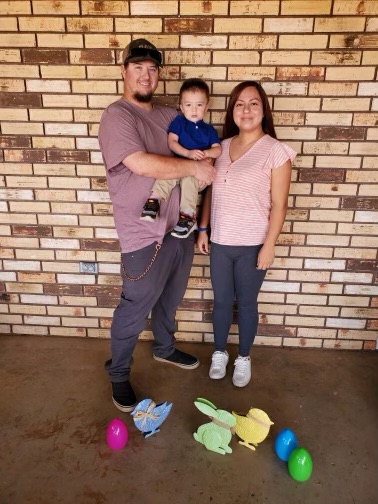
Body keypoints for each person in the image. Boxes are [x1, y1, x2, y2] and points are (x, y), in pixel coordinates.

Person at [98, 38, 215, 413]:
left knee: (170, 300)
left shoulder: (169, 116)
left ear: (159, 74)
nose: (146, 74)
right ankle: (118, 373)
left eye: (152, 68)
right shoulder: (117, 116)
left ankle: (164, 348)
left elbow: (204, 142)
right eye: (138, 67)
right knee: (134, 308)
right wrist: (195, 167)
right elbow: (142, 163)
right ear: (124, 71)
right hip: (142, 234)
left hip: (178, 229)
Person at [197, 81, 296, 388]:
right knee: (222, 302)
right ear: (232, 110)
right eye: (240, 103)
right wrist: (203, 228)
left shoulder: (276, 151)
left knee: (248, 304)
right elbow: (211, 192)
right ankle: (219, 353)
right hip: (221, 242)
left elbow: (280, 205)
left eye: (254, 103)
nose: (247, 109)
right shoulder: (222, 147)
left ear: (263, 109)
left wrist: (270, 246)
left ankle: (242, 357)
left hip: (253, 244)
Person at [140, 78, 221, 238]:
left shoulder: (209, 130)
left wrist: (207, 154)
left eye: (199, 105)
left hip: (197, 174)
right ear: (181, 106)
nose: (194, 109)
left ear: (206, 106)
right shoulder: (179, 122)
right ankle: (153, 201)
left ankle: (188, 217)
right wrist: (188, 153)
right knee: (168, 175)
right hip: (180, 163)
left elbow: (218, 150)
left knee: (189, 182)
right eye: (189, 105)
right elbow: (172, 142)